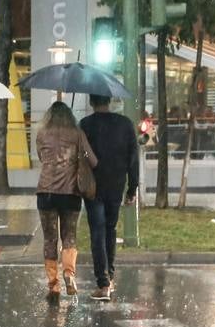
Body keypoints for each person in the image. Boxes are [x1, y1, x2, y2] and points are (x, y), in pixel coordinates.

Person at [34, 100, 97, 301]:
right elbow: (93, 160)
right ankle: (69, 274)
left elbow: (42, 158)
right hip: (70, 194)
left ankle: (53, 285)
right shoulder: (77, 134)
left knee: (49, 239)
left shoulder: (42, 134)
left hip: (46, 193)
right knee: (69, 236)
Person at [79, 94, 138, 301]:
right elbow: (133, 158)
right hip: (116, 185)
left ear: (91, 102)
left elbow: (81, 155)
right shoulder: (125, 124)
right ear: (109, 100)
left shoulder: (85, 125)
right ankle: (109, 276)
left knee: (97, 230)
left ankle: (102, 282)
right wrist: (133, 187)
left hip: (93, 186)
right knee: (110, 229)